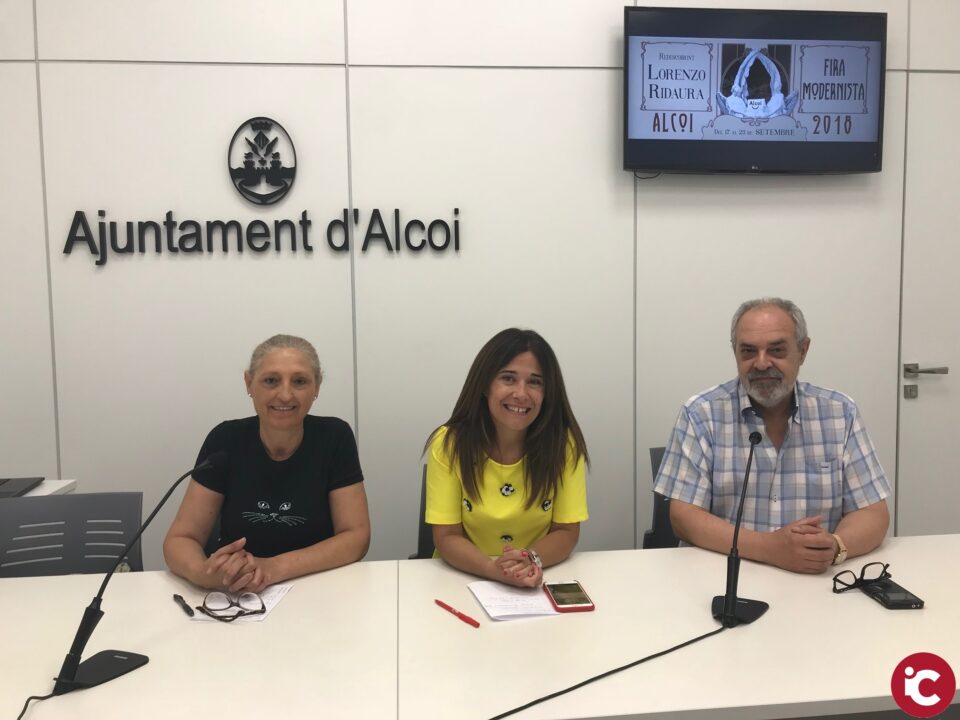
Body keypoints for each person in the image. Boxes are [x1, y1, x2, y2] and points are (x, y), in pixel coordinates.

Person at [654, 298, 890, 574]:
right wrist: (768, 548)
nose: (762, 363)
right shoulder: (701, 414)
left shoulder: (840, 413)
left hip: (815, 580)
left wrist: (834, 547)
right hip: (725, 576)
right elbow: (683, 517)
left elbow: (873, 513)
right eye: (748, 351)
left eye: (777, 350)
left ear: (803, 351)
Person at [163, 334, 370, 593]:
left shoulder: (335, 437)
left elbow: (356, 537)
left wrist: (272, 568)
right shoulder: (224, 439)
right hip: (237, 593)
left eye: (300, 381)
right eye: (271, 380)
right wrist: (203, 573)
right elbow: (180, 539)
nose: (285, 395)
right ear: (249, 383)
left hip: (318, 588)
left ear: (317, 386)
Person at [425, 328, 589, 587]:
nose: (521, 394)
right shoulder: (449, 445)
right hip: (461, 577)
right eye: (508, 378)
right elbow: (446, 536)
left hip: (537, 574)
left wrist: (530, 561)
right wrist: (493, 570)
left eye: (535, 382)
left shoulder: (563, 445)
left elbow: (567, 532)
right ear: (484, 384)